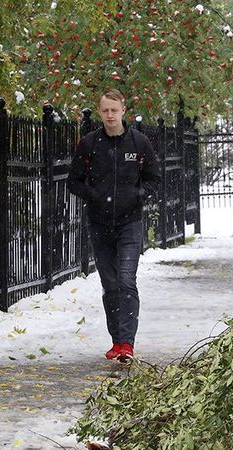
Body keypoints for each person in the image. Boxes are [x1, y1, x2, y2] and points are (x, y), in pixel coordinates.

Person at [67, 88, 160, 362]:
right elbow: (73, 181)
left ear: (123, 110)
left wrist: (137, 195)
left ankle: (128, 343)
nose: (110, 115)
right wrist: (94, 195)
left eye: (114, 110)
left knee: (126, 280)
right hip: (99, 223)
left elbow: (154, 178)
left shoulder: (139, 143)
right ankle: (116, 341)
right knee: (110, 284)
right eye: (105, 110)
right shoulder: (89, 145)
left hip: (129, 223)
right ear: (100, 112)